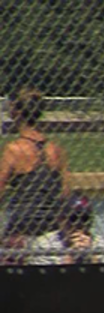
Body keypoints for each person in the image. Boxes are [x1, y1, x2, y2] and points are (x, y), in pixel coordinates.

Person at [0, 87, 69, 259]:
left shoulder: (14, 149)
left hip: (22, 226)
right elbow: (65, 191)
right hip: (51, 226)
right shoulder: (55, 149)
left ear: (15, 112)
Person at [25, 190, 104, 265]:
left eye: (85, 218)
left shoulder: (100, 243)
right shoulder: (44, 245)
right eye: (73, 219)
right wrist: (71, 255)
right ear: (60, 219)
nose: (79, 224)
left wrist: (90, 256)